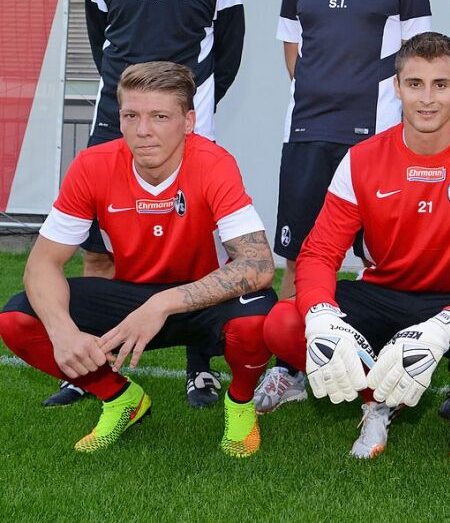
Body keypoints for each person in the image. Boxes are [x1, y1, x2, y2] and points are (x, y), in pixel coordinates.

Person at [262, 33, 450, 465]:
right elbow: (319, 253)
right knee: (284, 325)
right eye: (415, 84)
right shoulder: (362, 158)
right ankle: (376, 401)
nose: (427, 99)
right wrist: (322, 316)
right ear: (396, 87)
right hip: (382, 292)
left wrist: (441, 328)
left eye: (441, 85)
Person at [0, 62, 276, 457]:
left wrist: (162, 304)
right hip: (129, 296)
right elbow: (42, 264)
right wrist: (62, 332)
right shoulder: (92, 165)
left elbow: (258, 265)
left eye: (159, 117)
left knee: (257, 320)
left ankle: (240, 403)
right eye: (131, 116)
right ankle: (120, 398)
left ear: (188, 121)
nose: (142, 130)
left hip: (201, 300)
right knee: (19, 320)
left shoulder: (214, 163)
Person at [64, 0, 247, 409]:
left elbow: (229, 53)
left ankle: (200, 370)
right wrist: (132, 104)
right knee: (98, 244)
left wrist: (183, 112)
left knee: (198, 247)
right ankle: (91, 366)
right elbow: (102, 43)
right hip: (113, 123)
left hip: (186, 129)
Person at [256, 0, 432, 414]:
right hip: (309, 135)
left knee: (379, 261)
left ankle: (378, 372)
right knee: (300, 255)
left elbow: (418, 63)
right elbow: (295, 59)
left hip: (375, 144)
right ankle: (289, 369)